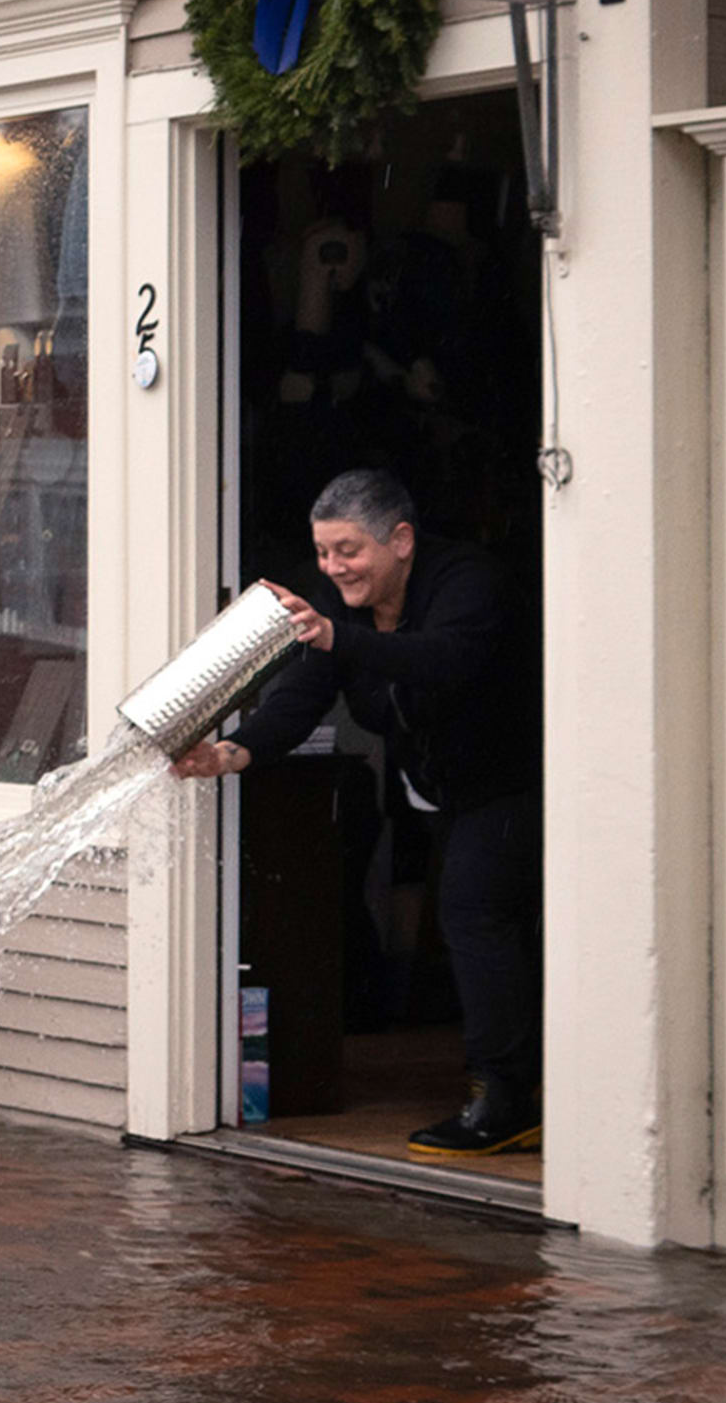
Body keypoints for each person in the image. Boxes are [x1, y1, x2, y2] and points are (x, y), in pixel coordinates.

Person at [174, 467, 541, 1159]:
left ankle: (507, 1100)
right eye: (322, 552)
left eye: (348, 550)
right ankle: (514, 1081)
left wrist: (334, 638)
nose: (333, 567)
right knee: (492, 925)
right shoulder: (340, 608)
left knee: (474, 915)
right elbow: (302, 696)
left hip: (515, 784)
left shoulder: (467, 581)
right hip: (435, 793)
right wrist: (232, 754)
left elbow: (441, 661)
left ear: (400, 539)